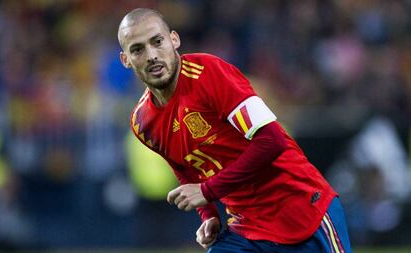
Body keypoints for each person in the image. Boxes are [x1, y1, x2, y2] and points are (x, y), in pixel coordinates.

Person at [118, 8, 352, 252]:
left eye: (157, 42)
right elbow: (185, 168)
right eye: (138, 49)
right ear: (125, 59)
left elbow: (272, 141)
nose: (151, 55)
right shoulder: (143, 122)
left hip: (301, 210)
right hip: (247, 228)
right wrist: (208, 215)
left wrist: (208, 191)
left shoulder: (210, 74)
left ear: (174, 40)